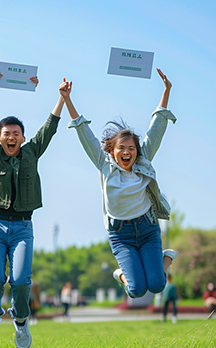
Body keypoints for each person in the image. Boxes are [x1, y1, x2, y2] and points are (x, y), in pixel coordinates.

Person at [0, 71, 65, 348]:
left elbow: (50, 127)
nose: (11, 138)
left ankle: (21, 320)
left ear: (22, 137)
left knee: (21, 282)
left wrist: (62, 98)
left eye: (15, 134)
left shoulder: (31, 152)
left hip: (22, 227)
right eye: (6, 134)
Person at [60, 69, 178, 299]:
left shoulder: (143, 161)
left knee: (156, 285)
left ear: (137, 151)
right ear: (112, 152)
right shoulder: (104, 165)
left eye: (131, 148)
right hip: (120, 235)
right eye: (121, 149)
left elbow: (157, 128)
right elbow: (84, 133)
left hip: (147, 228)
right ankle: (121, 274)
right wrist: (67, 99)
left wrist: (166, 91)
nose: (126, 152)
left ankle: (166, 257)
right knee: (135, 290)